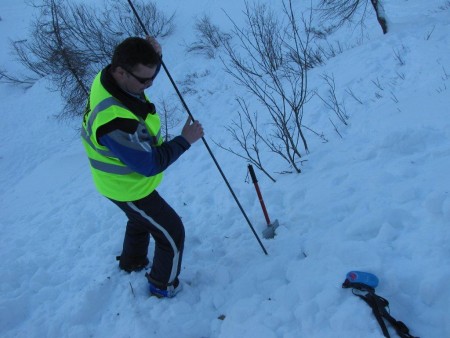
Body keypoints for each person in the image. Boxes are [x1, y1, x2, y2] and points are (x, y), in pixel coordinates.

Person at [81, 36, 204, 298]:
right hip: (127, 187)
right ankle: (163, 286)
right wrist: (185, 140)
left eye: (154, 76)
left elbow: (141, 71)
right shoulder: (115, 121)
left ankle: (132, 261)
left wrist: (154, 55)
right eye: (144, 80)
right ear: (121, 71)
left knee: (139, 220)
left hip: (121, 181)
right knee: (172, 233)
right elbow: (150, 164)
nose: (149, 84)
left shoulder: (110, 78)